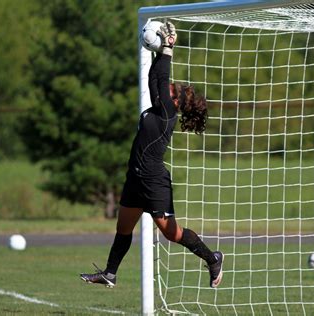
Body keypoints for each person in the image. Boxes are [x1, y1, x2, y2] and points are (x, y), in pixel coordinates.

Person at [80, 21, 224, 289]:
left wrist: (167, 51)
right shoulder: (159, 108)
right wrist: (161, 51)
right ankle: (110, 273)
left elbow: (161, 79)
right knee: (123, 227)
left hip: (154, 180)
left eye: (174, 90)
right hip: (135, 178)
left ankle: (212, 257)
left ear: (178, 102)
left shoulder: (168, 113)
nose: (170, 88)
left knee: (172, 233)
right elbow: (154, 79)